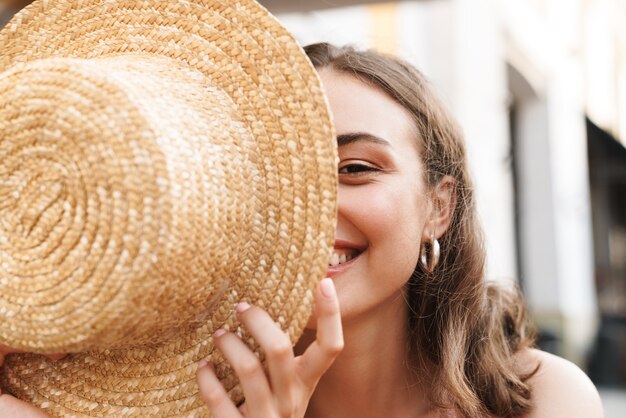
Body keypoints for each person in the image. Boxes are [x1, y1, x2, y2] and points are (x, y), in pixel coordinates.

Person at [0, 43, 604, 418]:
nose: (312, 208)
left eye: (356, 170)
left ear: (437, 208)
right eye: (278, 180)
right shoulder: (164, 404)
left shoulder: (542, 401)